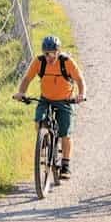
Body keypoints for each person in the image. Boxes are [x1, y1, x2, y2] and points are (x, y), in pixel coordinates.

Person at [17, 34, 87, 179]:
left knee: (65, 133)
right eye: (46, 54)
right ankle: (44, 141)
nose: (49, 57)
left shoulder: (66, 62)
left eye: (52, 53)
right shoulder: (39, 62)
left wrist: (81, 94)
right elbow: (27, 78)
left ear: (58, 51)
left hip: (65, 101)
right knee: (38, 120)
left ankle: (65, 165)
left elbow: (79, 79)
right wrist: (21, 93)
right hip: (46, 99)